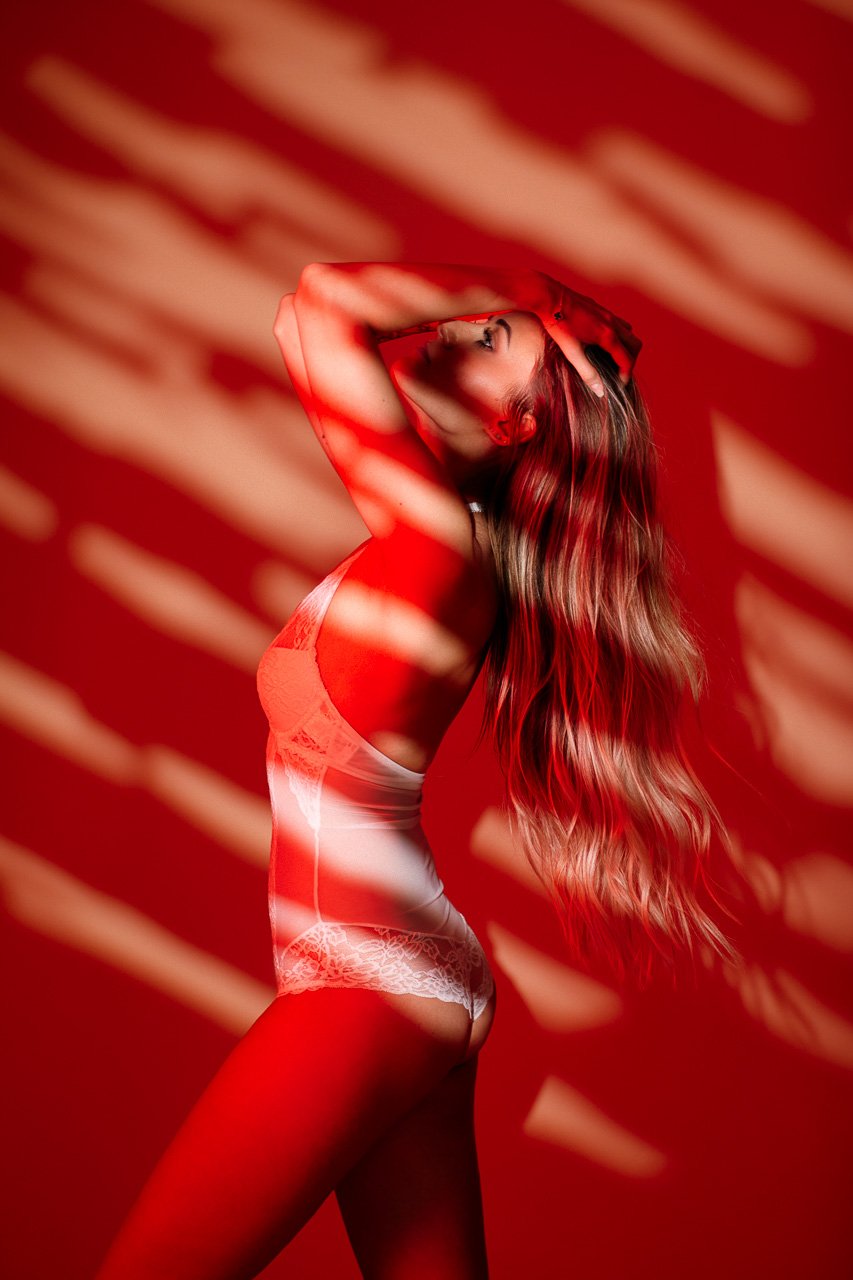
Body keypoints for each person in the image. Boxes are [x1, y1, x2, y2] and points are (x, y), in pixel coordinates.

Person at [95, 262, 736, 1280]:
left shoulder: (435, 554)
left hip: (364, 979)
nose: (450, 329)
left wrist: (525, 288)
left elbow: (321, 303)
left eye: (488, 339)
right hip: (401, 974)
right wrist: (524, 311)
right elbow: (302, 317)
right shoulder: (440, 543)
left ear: (517, 422)